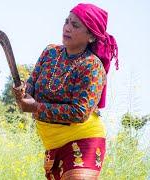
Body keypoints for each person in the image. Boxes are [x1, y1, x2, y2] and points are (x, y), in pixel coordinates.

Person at [12, 3, 118, 179]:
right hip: (52, 143)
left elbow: (80, 112)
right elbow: (31, 85)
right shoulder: (50, 52)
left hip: (84, 139)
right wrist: (21, 92)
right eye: (66, 22)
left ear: (91, 36)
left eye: (75, 25)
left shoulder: (92, 66)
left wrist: (36, 107)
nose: (67, 28)